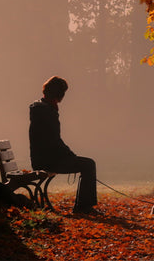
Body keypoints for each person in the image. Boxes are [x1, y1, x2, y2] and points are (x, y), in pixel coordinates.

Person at [28, 76, 99, 214]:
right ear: (58, 93)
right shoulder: (47, 111)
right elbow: (53, 140)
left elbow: (51, 140)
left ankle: (83, 206)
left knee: (87, 164)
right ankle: (83, 207)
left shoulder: (42, 108)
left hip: (43, 158)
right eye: (63, 93)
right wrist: (69, 155)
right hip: (48, 161)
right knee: (88, 164)